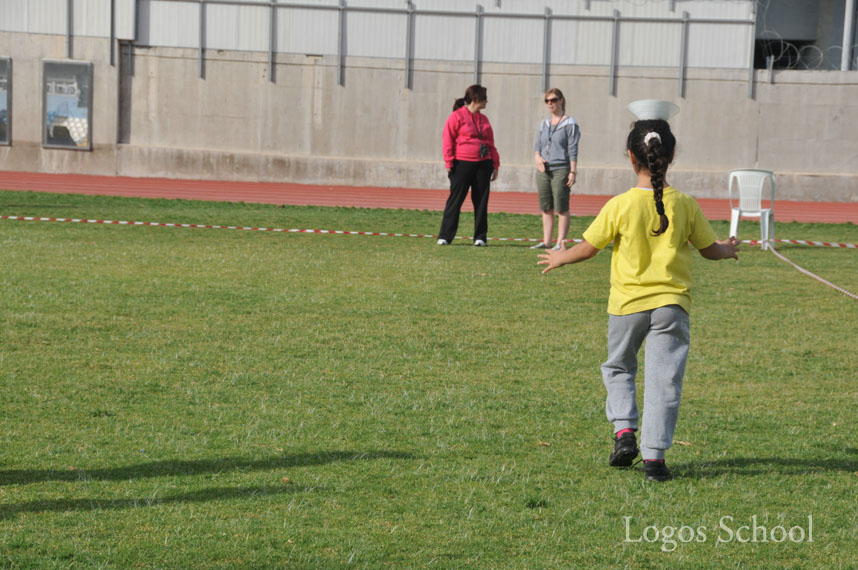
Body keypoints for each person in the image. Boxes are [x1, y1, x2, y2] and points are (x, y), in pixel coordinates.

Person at [537, 109, 739, 482]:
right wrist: (727, 248)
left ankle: (624, 432)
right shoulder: (685, 204)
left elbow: (588, 247)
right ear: (672, 156)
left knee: (618, 368)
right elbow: (710, 249)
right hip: (672, 307)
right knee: (664, 381)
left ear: (630, 157)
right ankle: (655, 461)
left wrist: (560, 257)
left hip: (627, 307)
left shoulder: (620, 204)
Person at [437, 84, 500, 247]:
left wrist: (495, 164)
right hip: (462, 164)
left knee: (481, 201)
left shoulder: (484, 119)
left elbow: (491, 143)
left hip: (483, 165)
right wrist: (449, 161)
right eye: (484, 98)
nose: (487, 102)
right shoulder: (456, 117)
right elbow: (448, 139)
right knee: (455, 200)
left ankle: (480, 237)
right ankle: (445, 236)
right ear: (475, 99)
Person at [531, 88, 580, 250]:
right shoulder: (544, 124)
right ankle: (546, 242)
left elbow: (573, 149)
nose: (550, 103)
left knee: (561, 207)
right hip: (544, 170)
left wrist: (572, 171)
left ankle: (560, 242)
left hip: (561, 169)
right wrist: (538, 157)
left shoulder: (570, 124)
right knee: (546, 207)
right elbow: (538, 145)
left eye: (553, 100)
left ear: (561, 100)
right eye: (547, 101)